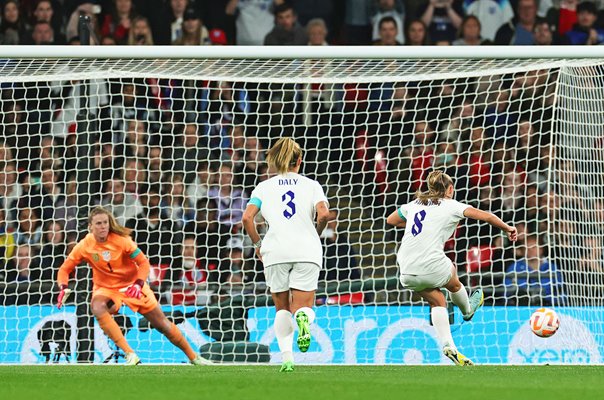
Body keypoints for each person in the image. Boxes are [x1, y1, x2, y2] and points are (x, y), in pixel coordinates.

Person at [386, 170, 517, 366]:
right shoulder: (452, 205)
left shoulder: (414, 204)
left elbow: (391, 220)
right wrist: (508, 228)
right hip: (431, 263)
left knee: (438, 301)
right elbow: (487, 216)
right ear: (450, 189)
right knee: (453, 279)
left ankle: (449, 346)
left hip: (405, 267)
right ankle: (467, 309)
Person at [56, 206, 207, 366]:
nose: (103, 227)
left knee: (162, 324)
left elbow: (143, 263)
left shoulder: (122, 241)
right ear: (90, 227)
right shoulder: (84, 245)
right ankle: (130, 354)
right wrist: (63, 286)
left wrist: (138, 284)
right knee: (97, 306)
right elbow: (65, 268)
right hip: (107, 289)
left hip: (132, 285)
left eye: (105, 223)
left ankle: (194, 357)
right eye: (98, 223)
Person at [242, 137, 330, 372]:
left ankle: (287, 359)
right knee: (304, 307)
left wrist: (258, 244)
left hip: (275, 251)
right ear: (299, 160)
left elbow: (247, 218)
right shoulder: (312, 185)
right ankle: (303, 318)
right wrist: (316, 232)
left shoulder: (264, 186)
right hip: (306, 250)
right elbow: (323, 214)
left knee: (281, 309)